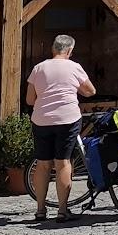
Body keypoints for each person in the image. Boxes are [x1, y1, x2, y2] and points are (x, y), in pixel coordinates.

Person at [26, 34, 96, 222]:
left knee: (42, 164)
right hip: (67, 119)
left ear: (53, 48)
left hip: (41, 120)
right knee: (63, 163)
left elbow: (30, 100)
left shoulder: (38, 68)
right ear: (70, 50)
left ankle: (40, 209)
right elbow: (90, 91)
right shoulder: (74, 67)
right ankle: (62, 210)